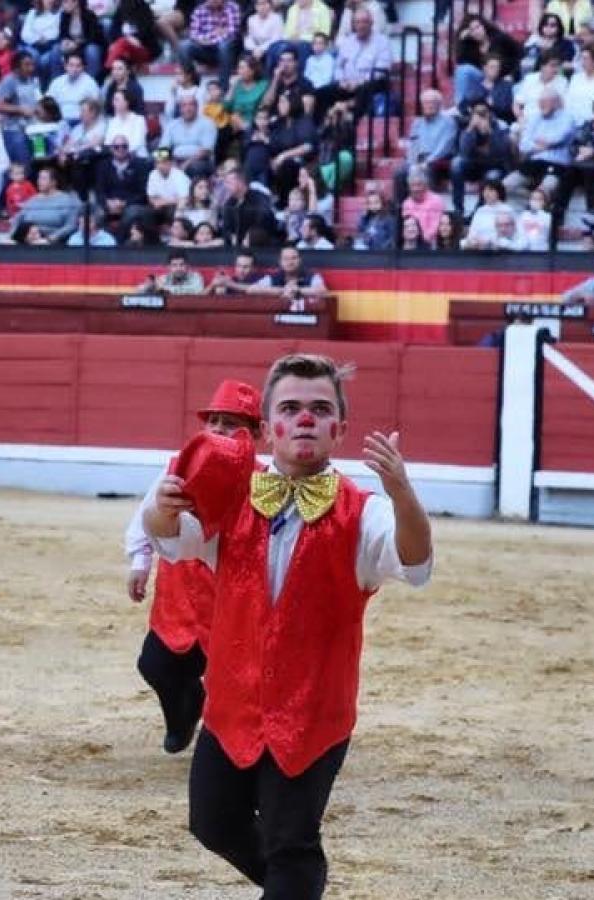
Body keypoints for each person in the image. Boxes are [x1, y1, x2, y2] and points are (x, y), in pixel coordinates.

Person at [143, 353, 433, 897]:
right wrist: (160, 507)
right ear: (267, 428)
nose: (305, 418)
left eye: (320, 409)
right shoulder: (232, 494)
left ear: (339, 429)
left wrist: (402, 492)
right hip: (231, 705)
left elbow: (415, 563)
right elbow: (172, 536)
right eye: (291, 407)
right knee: (213, 822)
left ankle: (293, 881)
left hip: (313, 713)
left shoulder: (363, 511)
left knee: (290, 841)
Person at [125, 380, 261, 752]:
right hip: (180, 596)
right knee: (155, 664)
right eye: (213, 420)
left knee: (238, 681)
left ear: (255, 435)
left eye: (231, 422)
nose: (218, 429)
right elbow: (148, 511)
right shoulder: (181, 466)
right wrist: (140, 560)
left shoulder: (266, 481)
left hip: (232, 601)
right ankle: (183, 717)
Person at [138, 250, 207, 294]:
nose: (178, 268)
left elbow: (196, 291)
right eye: (174, 265)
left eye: (182, 264)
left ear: (187, 266)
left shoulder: (196, 277)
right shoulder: (164, 278)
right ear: (169, 267)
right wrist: (148, 286)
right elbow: (139, 290)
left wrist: (165, 289)